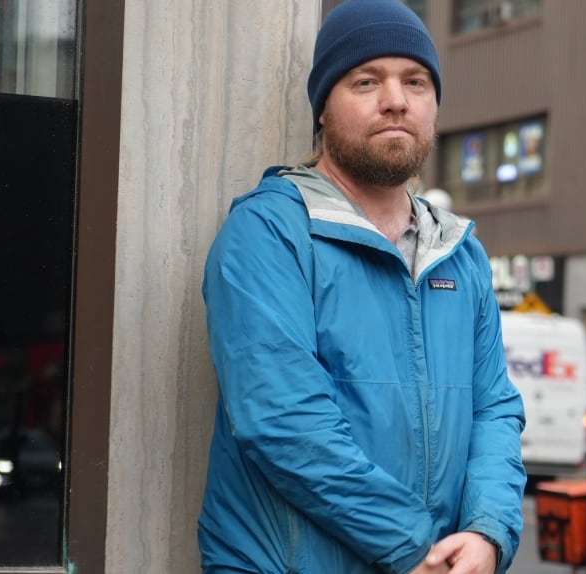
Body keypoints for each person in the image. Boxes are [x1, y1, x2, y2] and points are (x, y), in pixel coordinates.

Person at [197, 1, 527, 573]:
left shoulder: (460, 251)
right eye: (367, 80)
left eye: (416, 81)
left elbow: (494, 410)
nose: (396, 99)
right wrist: (415, 548)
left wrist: (485, 532)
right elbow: (283, 419)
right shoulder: (270, 231)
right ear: (323, 108)